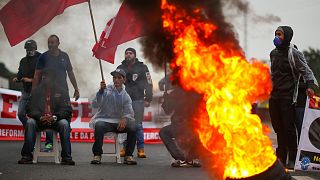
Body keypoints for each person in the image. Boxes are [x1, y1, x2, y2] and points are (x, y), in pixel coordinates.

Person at [269, 26, 317, 169]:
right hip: (274, 96)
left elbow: (307, 72)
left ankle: (292, 157)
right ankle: (281, 158)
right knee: (278, 128)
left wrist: (309, 86)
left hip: (288, 96)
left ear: (287, 36)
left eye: (280, 34)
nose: (277, 37)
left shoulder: (294, 53)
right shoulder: (273, 53)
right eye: (276, 34)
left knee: (288, 128)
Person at [32, 34, 80, 150]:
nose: (50, 44)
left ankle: (65, 143)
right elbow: (37, 74)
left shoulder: (64, 56)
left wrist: (76, 88)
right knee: (48, 113)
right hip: (47, 90)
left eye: (53, 42)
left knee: (65, 115)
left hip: (63, 91)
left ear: (58, 43)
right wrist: (34, 92)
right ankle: (49, 143)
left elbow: (70, 72)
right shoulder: (43, 57)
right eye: (49, 42)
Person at [18, 70, 75, 165]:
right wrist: (40, 117)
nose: (47, 79)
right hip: (39, 120)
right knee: (30, 122)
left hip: (56, 121)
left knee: (64, 124)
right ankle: (26, 156)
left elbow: (67, 110)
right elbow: (29, 108)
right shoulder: (36, 91)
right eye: (45, 77)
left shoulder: (62, 91)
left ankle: (66, 157)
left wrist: (55, 117)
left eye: (49, 77)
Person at [89, 69, 137, 165]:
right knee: (99, 125)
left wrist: (125, 118)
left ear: (124, 80)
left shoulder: (126, 95)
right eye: (114, 77)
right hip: (105, 121)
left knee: (133, 126)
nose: (116, 80)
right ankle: (97, 155)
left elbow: (129, 112)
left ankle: (128, 155)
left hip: (119, 123)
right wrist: (101, 91)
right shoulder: (106, 90)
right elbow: (95, 104)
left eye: (119, 77)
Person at [12, 40, 53, 151]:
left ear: (35, 48)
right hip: (26, 91)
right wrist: (18, 78)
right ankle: (31, 133)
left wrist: (30, 80)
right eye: (28, 49)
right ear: (25, 49)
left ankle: (49, 143)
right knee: (21, 114)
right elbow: (20, 73)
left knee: (46, 116)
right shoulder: (23, 61)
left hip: (40, 93)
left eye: (31, 49)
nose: (30, 51)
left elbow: (46, 76)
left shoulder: (42, 59)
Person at [117, 48, 153, 158]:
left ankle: (140, 149)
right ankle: (123, 148)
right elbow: (115, 83)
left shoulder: (142, 67)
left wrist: (148, 98)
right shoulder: (120, 68)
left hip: (138, 99)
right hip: (123, 100)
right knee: (123, 124)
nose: (128, 55)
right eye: (126, 53)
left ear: (134, 55)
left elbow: (149, 83)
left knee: (137, 125)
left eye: (130, 53)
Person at [159, 85, 201, 167]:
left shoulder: (198, 92)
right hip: (178, 125)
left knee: (205, 132)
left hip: (194, 125)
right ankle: (179, 158)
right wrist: (166, 100)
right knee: (163, 132)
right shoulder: (175, 93)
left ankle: (192, 158)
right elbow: (167, 110)